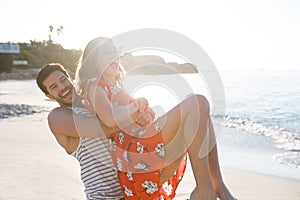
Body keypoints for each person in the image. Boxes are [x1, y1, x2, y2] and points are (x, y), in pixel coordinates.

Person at [75, 37, 237, 200]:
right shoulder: (94, 85)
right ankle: (205, 191)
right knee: (198, 103)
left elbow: (130, 116)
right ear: (94, 61)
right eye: (106, 52)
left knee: (202, 115)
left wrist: (146, 114)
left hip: (141, 145)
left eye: (114, 51)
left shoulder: (116, 88)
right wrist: (135, 107)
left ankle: (217, 185)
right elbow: (109, 119)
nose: (114, 55)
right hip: (134, 153)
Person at [36, 63, 126, 200]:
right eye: (54, 87)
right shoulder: (57, 117)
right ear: (49, 96)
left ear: (70, 78)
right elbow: (102, 128)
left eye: (63, 80)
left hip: (132, 190)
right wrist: (135, 113)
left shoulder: (92, 102)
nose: (62, 87)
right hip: (104, 197)